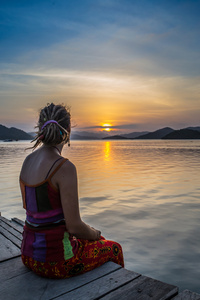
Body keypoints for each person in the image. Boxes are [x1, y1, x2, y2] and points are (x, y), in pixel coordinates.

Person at [20, 103, 124, 279]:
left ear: (40, 128)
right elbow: (74, 226)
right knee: (114, 248)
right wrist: (94, 233)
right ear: (68, 129)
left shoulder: (27, 161)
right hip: (56, 261)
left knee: (93, 240)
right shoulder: (63, 167)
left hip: (28, 255)